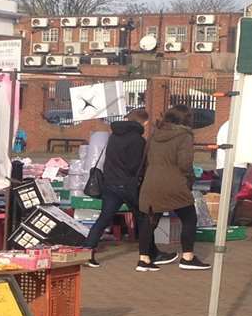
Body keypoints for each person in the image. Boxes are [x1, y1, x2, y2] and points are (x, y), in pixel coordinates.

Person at [136, 105, 209, 271]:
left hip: (151, 182)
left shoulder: (155, 134)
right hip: (174, 183)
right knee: (189, 218)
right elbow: (185, 163)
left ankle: (144, 259)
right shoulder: (185, 136)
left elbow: (145, 158)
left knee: (150, 220)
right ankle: (188, 257)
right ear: (186, 119)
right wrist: (190, 178)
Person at [82, 108, 148, 267]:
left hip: (110, 183)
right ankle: (146, 256)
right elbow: (135, 165)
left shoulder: (114, 136)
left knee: (103, 219)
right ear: (143, 122)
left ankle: (87, 251)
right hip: (128, 185)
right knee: (144, 219)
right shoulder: (138, 140)